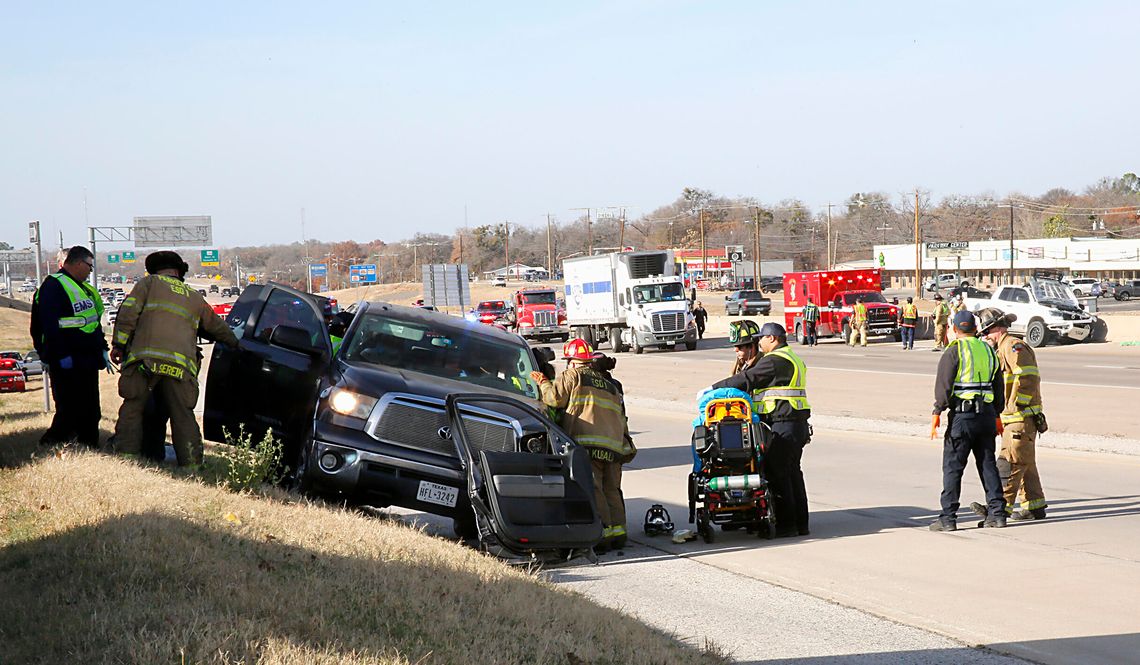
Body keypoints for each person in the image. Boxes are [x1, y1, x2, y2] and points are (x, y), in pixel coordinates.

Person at [110, 251, 239, 468]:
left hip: (145, 363)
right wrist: (237, 344)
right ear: (179, 272)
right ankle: (192, 467)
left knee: (133, 408)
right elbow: (219, 329)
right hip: (180, 368)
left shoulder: (148, 284)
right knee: (183, 416)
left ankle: (126, 460)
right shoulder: (194, 297)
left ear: (153, 270)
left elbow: (128, 314)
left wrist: (119, 345)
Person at [530, 339, 635, 552]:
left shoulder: (572, 376)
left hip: (588, 443)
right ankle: (619, 534)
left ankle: (603, 535)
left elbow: (554, 399)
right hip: (615, 446)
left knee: (595, 489)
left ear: (572, 361)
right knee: (612, 490)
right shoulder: (609, 385)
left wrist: (542, 381)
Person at [712, 322, 811, 537]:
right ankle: (800, 524)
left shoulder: (776, 360)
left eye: (761, 338)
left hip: (784, 424)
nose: (759, 342)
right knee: (793, 474)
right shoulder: (790, 357)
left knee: (778, 475)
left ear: (772, 339)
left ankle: (787, 526)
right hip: (794, 423)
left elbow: (748, 379)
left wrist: (715, 388)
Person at [929, 311, 1006, 532]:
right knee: (987, 464)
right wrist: (997, 415)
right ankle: (997, 514)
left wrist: (937, 411)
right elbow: (998, 386)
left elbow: (944, 384)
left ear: (954, 329)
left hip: (962, 417)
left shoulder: (954, 350)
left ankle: (948, 518)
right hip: (987, 417)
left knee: (953, 467)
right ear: (976, 328)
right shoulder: (989, 350)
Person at [29, 246, 112, 448]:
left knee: (91, 410)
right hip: (67, 360)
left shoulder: (84, 289)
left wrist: (102, 347)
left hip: (87, 358)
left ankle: (89, 447)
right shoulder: (53, 286)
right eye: (89, 266)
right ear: (77, 263)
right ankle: (50, 444)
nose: (90, 271)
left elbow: (91, 323)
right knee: (69, 410)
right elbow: (49, 326)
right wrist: (61, 355)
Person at [971, 308, 1048, 521]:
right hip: (1014, 418)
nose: (985, 337)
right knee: (1025, 462)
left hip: (1019, 418)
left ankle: (998, 508)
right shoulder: (1002, 349)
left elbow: (1028, 377)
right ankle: (1034, 506)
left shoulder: (1014, 347)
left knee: (1010, 462)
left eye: (987, 333)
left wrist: (1016, 406)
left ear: (997, 329)